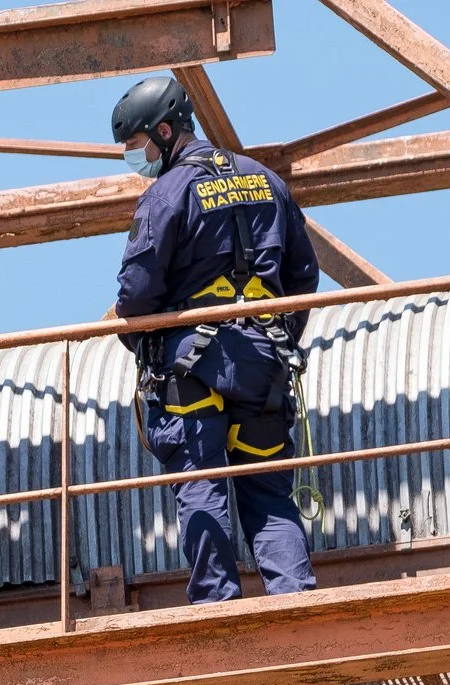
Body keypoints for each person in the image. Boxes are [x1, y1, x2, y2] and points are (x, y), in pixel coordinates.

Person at [107, 75, 320, 604]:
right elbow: (303, 277)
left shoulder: (165, 196)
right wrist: (275, 335)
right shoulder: (266, 181)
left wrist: (147, 341)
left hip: (192, 371)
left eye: (135, 145)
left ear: (163, 130)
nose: (134, 158)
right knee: (268, 492)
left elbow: (135, 297)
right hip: (265, 366)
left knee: (200, 486)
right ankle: (295, 602)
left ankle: (217, 611)